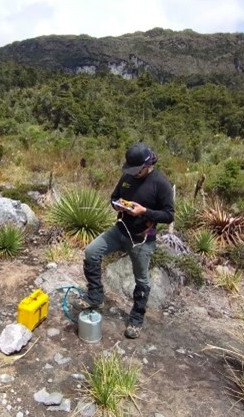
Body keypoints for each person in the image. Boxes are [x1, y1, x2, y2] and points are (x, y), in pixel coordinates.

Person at [79, 142, 175, 339]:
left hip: (142, 239)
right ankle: (96, 296)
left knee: (141, 279)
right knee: (91, 252)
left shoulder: (161, 184)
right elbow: (114, 197)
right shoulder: (127, 177)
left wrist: (145, 212)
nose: (133, 173)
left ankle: (136, 319)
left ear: (147, 166)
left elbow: (169, 215)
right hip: (120, 230)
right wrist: (118, 206)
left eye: (136, 170)